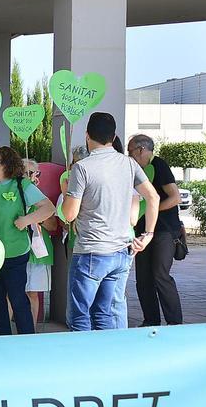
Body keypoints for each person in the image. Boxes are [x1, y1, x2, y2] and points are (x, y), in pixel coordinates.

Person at [61, 113, 160, 331]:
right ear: (113, 137)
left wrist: (67, 193)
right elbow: (153, 197)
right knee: (104, 314)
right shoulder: (129, 164)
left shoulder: (82, 167)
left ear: (87, 135)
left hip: (91, 252)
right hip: (120, 252)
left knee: (79, 317)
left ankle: (86, 355)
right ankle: (107, 353)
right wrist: (148, 234)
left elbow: (69, 214)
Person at [0, 146, 56, 336]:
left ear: (6, 165)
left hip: (15, 252)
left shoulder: (22, 185)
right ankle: (2, 339)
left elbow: (48, 208)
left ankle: (26, 339)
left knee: (17, 298)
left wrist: (27, 220)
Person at [127, 134, 184, 326]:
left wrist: (152, 209)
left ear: (141, 150)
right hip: (142, 231)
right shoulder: (136, 170)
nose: (129, 156)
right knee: (143, 278)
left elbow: (175, 197)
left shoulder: (159, 165)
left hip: (164, 231)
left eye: (131, 151)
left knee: (160, 274)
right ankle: (150, 320)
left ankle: (175, 323)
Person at [23, 159, 57, 324]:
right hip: (18, 249)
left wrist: (37, 217)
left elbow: (53, 225)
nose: (32, 176)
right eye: (28, 173)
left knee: (33, 293)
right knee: (11, 293)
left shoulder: (41, 198)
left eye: (36, 173)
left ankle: (32, 330)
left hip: (38, 251)